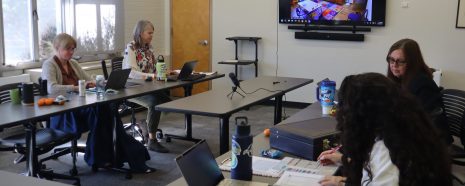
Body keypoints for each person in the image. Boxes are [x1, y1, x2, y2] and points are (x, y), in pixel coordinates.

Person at [42, 33, 153, 172]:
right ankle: (115, 157)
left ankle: (105, 158)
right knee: (104, 113)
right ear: (57, 48)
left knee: (108, 111)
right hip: (64, 112)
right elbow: (51, 88)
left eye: (73, 49)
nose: (71, 52)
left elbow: (89, 79)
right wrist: (77, 87)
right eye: (68, 49)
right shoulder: (49, 65)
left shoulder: (73, 64)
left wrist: (101, 81)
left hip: (81, 106)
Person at [318, 73, 451, 186]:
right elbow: (374, 172)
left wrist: (343, 182)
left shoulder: (388, 151)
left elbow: (384, 170)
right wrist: (343, 162)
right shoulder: (403, 130)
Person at [386, 38, 452, 144]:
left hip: (432, 143)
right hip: (414, 136)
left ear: (412, 63)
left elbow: (422, 123)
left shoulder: (422, 84)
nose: (394, 65)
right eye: (391, 60)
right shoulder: (400, 80)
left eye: (400, 61)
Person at [123, 20, 171, 153]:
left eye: (152, 33)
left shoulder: (149, 48)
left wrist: (164, 71)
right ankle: (152, 141)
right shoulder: (131, 48)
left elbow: (154, 68)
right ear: (140, 33)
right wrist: (152, 76)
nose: (151, 35)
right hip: (131, 88)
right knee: (154, 103)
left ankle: (146, 123)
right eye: (149, 33)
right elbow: (131, 73)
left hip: (148, 86)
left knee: (169, 103)